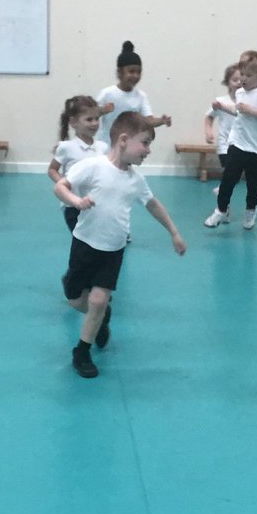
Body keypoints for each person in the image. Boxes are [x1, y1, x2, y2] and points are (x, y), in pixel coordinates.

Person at [55, 111, 186, 378]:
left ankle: (82, 351)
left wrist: (173, 232)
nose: (148, 150)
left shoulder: (136, 180)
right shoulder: (93, 166)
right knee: (74, 298)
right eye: (145, 142)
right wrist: (75, 201)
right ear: (124, 140)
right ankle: (101, 316)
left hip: (113, 250)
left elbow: (152, 205)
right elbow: (61, 187)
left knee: (99, 298)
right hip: (84, 245)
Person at [204, 50, 257, 230]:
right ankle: (221, 210)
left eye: (249, 75)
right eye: (242, 74)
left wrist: (250, 111)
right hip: (238, 144)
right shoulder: (240, 94)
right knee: (228, 178)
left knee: (254, 182)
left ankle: (251, 209)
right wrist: (221, 106)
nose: (244, 78)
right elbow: (238, 111)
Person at [48, 95, 108, 232]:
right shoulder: (66, 147)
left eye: (97, 118)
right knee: (82, 242)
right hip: (74, 206)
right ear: (74, 122)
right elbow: (52, 170)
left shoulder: (102, 147)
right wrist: (64, 183)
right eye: (89, 119)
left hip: (97, 205)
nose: (95, 123)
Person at [94, 41, 172, 147]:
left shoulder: (141, 96)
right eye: (131, 71)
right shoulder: (107, 93)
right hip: (105, 146)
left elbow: (148, 121)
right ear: (119, 73)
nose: (135, 76)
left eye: (138, 72)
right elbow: (92, 114)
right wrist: (103, 110)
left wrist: (162, 121)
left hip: (127, 149)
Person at [204, 62, 242, 197]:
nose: (238, 83)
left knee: (235, 176)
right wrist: (208, 131)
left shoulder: (246, 103)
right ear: (227, 82)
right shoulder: (220, 101)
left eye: (241, 80)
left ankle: (222, 190)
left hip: (241, 145)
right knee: (230, 171)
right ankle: (224, 205)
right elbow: (209, 117)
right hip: (225, 144)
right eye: (234, 80)